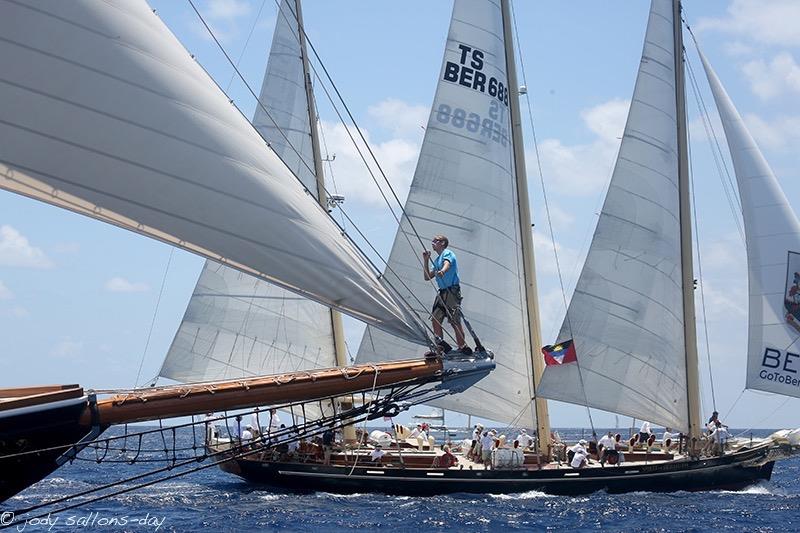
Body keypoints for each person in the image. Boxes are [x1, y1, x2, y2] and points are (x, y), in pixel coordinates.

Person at [422, 235, 471, 355]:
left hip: (452, 291)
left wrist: (443, 271)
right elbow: (427, 277)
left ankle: (462, 346)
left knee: (454, 320)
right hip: (442, 292)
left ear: (442, 243)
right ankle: (441, 349)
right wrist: (426, 260)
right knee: (435, 319)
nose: (432, 243)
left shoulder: (447, 253)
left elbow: (447, 264)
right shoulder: (437, 259)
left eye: (435, 241)